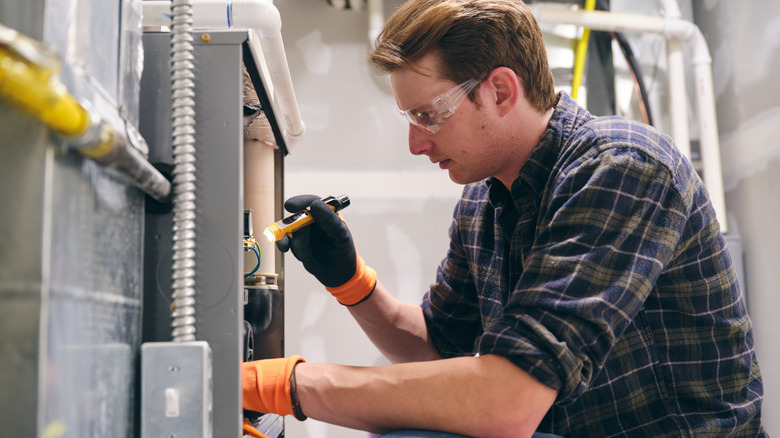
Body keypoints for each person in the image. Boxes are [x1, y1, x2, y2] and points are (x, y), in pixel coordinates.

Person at [242, 0, 766, 436]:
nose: (416, 143)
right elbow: (437, 347)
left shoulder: (622, 166)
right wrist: (352, 281)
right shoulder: (484, 202)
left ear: (499, 91)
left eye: (427, 116)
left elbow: (507, 402)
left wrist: (289, 385)